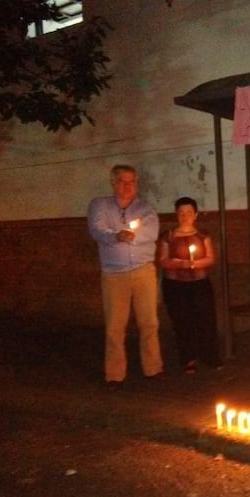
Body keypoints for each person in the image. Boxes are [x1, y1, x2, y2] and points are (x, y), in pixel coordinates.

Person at [87, 164, 164, 388]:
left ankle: (153, 367)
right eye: (122, 181)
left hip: (143, 271)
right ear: (113, 183)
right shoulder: (99, 205)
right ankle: (115, 374)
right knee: (115, 326)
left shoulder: (145, 208)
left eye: (132, 181)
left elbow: (151, 233)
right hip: (114, 274)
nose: (128, 186)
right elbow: (97, 230)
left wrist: (128, 236)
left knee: (149, 322)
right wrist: (115, 236)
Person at [157, 196, 222, 374]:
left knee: (205, 320)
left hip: (199, 284)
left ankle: (210, 355)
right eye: (181, 213)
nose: (185, 216)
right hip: (175, 285)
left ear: (195, 215)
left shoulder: (202, 235)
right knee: (182, 321)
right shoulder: (168, 236)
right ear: (176, 214)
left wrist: (194, 264)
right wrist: (179, 264)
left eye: (188, 212)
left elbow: (210, 258)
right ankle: (188, 358)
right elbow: (163, 261)